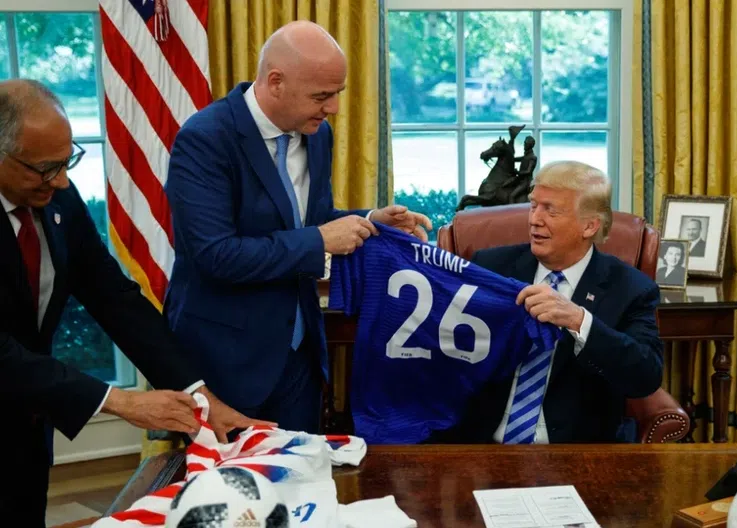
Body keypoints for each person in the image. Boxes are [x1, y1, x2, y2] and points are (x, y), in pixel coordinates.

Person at [0, 79, 264, 526]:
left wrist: (197, 393)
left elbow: (113, 297)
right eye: (44, 168)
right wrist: (119, 401)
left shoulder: (57, 197)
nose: (61, 181)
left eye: (66, 162)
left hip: (26, 430)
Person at [164, 21, 431, 434]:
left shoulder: (317, 134)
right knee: (236, 477)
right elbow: (216, 254)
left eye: (337, 94)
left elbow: (307, 218)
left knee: (304, 471)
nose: (333, 108)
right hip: (227, 363)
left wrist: (370, 220)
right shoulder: (205, 139)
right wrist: (321, 240)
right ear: (276, 82)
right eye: (322, 96)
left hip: (300, 355)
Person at [438, 160, 664, 444]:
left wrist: (580, 321)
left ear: (589, 226)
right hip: (484, 444)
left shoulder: (631, 288)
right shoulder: (492, 267)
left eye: (551, 210)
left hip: (577, 450)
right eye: (533, 206)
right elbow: (446, 344)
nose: (534, 219)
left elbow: (645, 376)